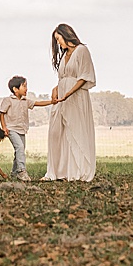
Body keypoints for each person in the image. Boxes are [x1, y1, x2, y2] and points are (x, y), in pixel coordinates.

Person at [37, 23, 96, 181]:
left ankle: (75, 171)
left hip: (75, 97)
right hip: (62, 97)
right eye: (56, 40)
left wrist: (69, 93)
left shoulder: (81, 50)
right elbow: (64, 77)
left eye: (59, 38)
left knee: (73, 130)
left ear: (66, 35)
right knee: (56, 131)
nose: (58, 43)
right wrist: (56, 88)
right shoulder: (64, 55)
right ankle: (57, 171)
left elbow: (84, 77)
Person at [0, 76, 31, 180]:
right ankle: (21, 171)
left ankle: (14, 172)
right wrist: (4, 127)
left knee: (20, 150)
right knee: (20, 148)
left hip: (22, 129)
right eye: (24, 86)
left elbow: (37, 103)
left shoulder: (25, 101)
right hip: (11, 129)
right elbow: (2, 114)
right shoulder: (8, 100)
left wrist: (52, 102)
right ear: (15, 89)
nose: (26, 88)